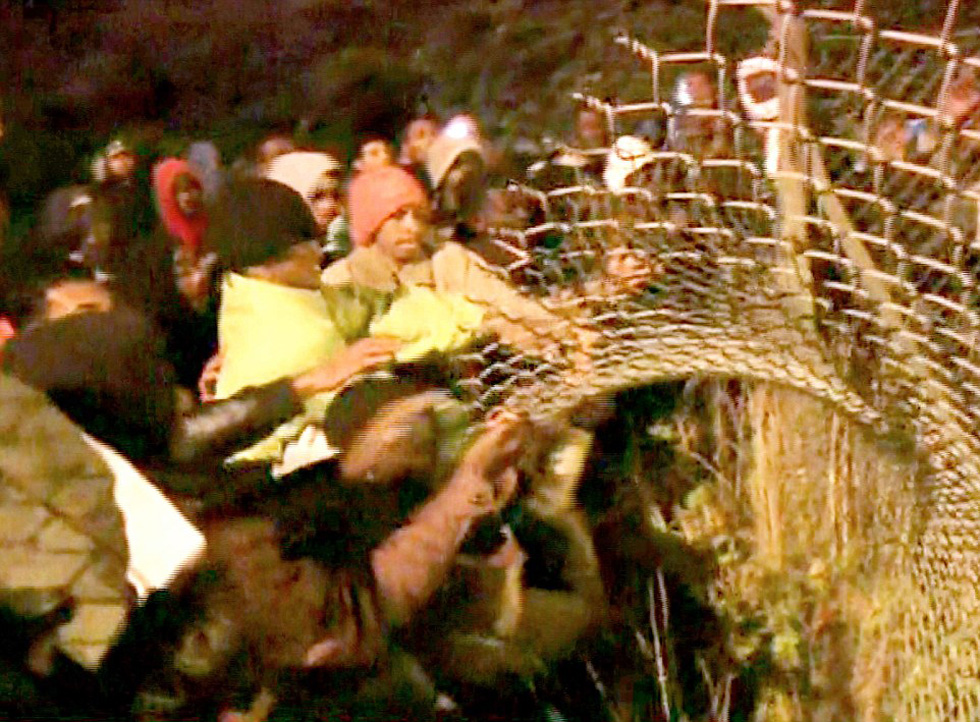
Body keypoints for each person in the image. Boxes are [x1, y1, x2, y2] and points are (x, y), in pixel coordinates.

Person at [321, 164, 594, 372]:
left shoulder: (448, 259)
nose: (412, 227)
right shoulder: (341, 281)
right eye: (398, 217)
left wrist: (565, 329)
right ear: (371, 224)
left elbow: (509, 306)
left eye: (419, 216)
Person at [265, 150, 349, 264]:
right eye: (317, 197)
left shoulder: (346, 255)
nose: (330, 206)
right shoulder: (272, 263)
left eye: (336, 196)